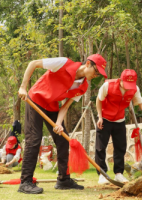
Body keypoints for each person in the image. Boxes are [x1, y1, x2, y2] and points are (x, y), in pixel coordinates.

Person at [17, 54, 107, 194]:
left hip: (52, 107)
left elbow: (65, 107)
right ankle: (25, 182)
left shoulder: (83, 87)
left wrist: (58, 124)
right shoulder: (63, 63)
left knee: (63, 140)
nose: (96, 75)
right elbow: (33, 63)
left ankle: (63, 180)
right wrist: (23, 87)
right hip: (35, 99)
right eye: (96, 71)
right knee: (34, 139)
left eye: (99, 74)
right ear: (88, 64)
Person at [95, 69, 142, 184]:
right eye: (126, 84)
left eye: (131, 85)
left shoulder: (134, 89)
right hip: (105, 119)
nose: (128, 87)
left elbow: (141, 103)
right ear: (120, 80)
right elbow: (99, 100)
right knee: (100, 148)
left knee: (120, 147)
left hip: (119, 120)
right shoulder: (107, 85)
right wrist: (99, 117)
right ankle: (102, 175)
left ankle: (119, 174)